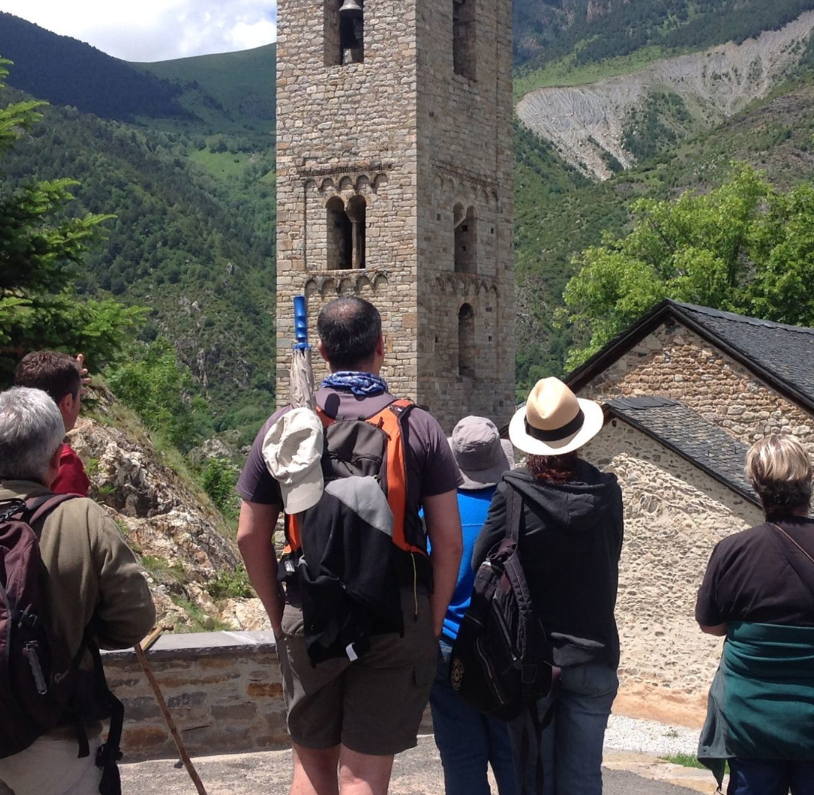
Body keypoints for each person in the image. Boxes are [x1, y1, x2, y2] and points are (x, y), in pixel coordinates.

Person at [237, 296, 464, 795]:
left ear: (321, 351)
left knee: (312, 767)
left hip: (310, 608)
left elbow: (250, 534)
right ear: (381, 347)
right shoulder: (418, 426)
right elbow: (449, 542)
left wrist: (280, 615)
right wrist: (429, 618)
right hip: (395, 614)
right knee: (363, 773)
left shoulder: (285, 427)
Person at [0, 387, 156, 795]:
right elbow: (134, 620)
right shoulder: (80, 517)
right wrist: (78, 627)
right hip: (52, 735)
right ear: (58, 458)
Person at [694, 434, 814, 795]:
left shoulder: (731, 551)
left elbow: (711, 625)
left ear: (756, 487)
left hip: (750, 724)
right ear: (808, 483)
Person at [473, 377, 623, 795]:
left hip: (531, 659)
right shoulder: (608, 492)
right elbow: (610, 557)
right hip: (595, 653)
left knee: (534, 778)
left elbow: (479, 562)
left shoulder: (514, 492)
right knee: (583, 779)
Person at [431, 417, 518, 795]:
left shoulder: (434, 510)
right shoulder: (519, 506)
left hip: (450, 642)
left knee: (462, 758)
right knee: (513, 753)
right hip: (506, 643)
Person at [13, 351, 90, 497]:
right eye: (79, 397)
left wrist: (71, 381)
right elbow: (69, 517)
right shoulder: (62, 463)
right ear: (68, 403)